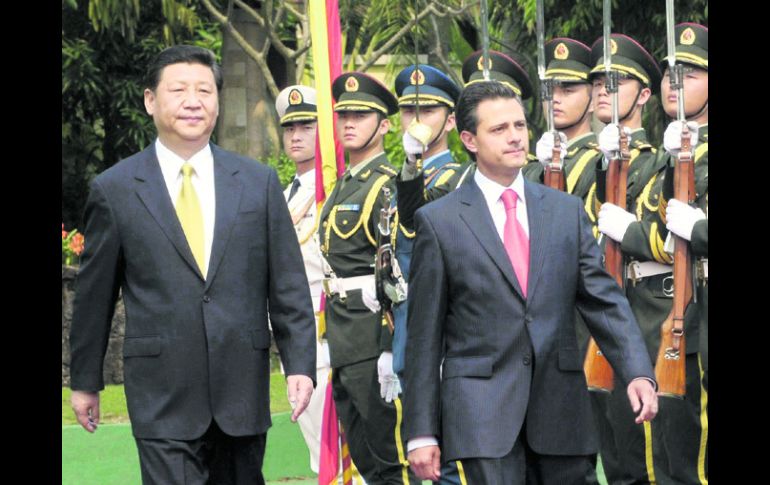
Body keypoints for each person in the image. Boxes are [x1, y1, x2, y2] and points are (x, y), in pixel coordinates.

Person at [68, 45, 316, 485]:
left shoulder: (257, 183)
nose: (193, 100)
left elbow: (288, 283)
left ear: (217, 103)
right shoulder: (116, 189)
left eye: (204, 90)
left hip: (241, 389)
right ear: (150, 100)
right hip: (162, 393)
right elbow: (95, 295)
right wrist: (86, 381)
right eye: (178, 89)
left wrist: (299, 364)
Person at [403, 80, 658, 484]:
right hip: (482, 418)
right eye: (499, 129)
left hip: (561, 413)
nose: (514, 137)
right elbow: (423, 338)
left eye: (519, 126)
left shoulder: (564, 211)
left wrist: (639, 372)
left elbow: (604, 301)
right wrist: (419, 430)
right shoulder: (440, 222)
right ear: (468, 139)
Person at [602, 23, 708, 484]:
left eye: (690, 72)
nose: (675, 82)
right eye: (670, 73)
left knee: (693, 461)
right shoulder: (655, 159)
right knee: (658, 462)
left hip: (697, 318)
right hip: (655, 319)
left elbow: (670, 240)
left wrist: (697, 229)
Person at [319, 71, 420, 484]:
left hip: (372, 339)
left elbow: (398, 275)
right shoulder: (343, 185)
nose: (348, 122)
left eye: (360, 115)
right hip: (344, 342)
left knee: (394, 461)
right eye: (344, 114)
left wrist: (388, 347)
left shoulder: (386, 187)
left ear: (383, 125)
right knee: (365, 458)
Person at [274, 84, 334, 477]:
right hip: (292, 335)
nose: (296, 135)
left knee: (339, 448)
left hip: (329, 332)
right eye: (289, 127)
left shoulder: (333, 189)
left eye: (307, 125)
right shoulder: (280, 195)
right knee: (318, 452)